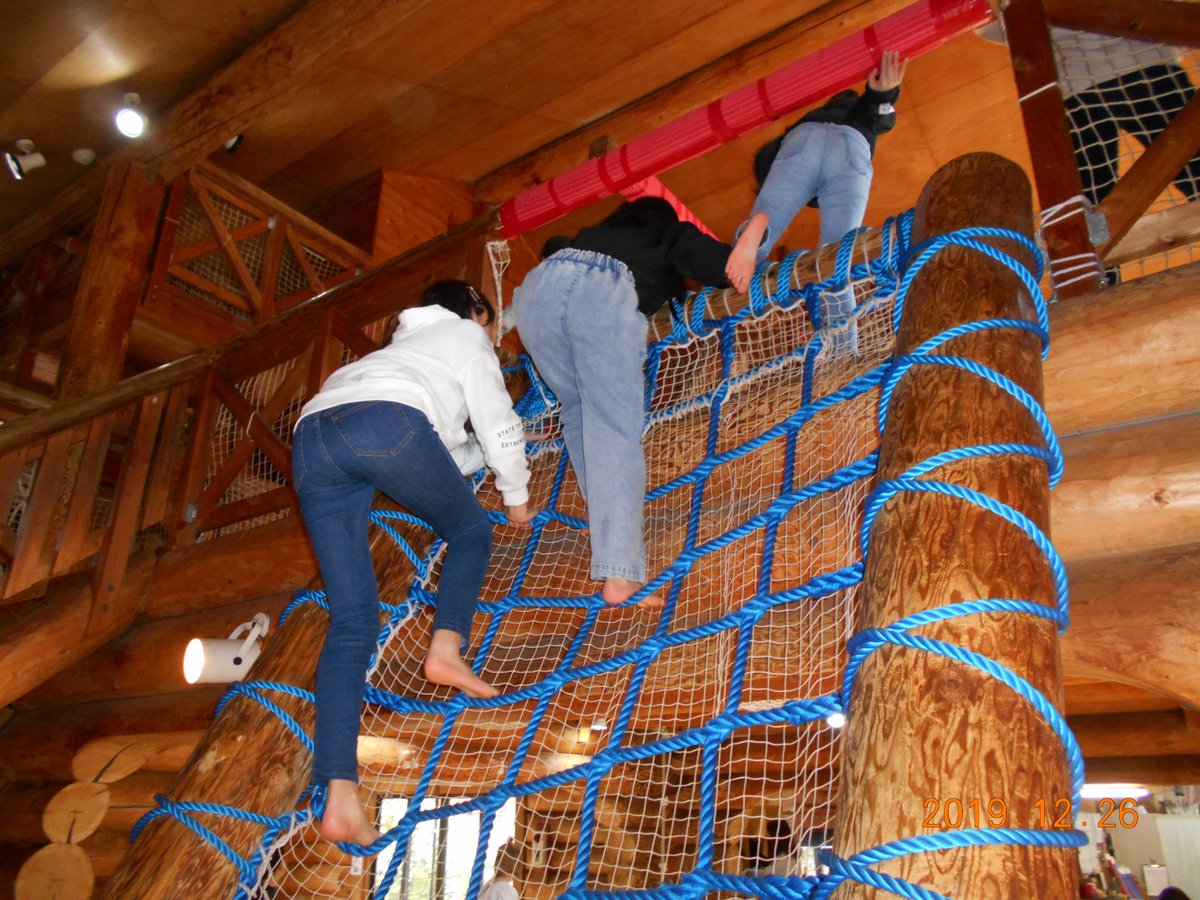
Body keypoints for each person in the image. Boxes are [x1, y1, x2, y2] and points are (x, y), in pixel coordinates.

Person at [292, 280, 533, 845]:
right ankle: (445, 649)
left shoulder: (394, 353)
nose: (494, 339)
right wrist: (516, 495)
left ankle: (339, 792)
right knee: (471, 528)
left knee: (352, 622)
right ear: (475, 310)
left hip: (312, 439)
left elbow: (441, 453)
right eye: (491, 325)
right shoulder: (466, 333)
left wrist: (479, 459)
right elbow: (497, 419)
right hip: (387, 424)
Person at [514, 196, 732, 607]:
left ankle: (602, 519)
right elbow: (717, 263)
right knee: (615, 428)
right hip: (599, 295)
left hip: (536, 292)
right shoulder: (663, 232)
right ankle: (620, 576)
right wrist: (748, 248)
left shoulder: (592, 236)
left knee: (578, 410)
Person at [725, 50, 909, 294]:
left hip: (803, 138)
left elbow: (769, 158)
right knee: (838, 251)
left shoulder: (816, 115)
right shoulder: (860, 112)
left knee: (772, 209)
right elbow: (884, 120)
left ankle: (759, 234)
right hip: (851, 145)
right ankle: (839, 325)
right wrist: (883, 93)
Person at [977, 18, 1200, 207]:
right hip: (1143, 61)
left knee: (1093, 204)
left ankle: (1099, 257)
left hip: (1073, 85)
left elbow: (993, 25)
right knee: (1194, 167)